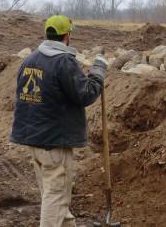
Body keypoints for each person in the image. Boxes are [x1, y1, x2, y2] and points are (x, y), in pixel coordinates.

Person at [10, 15, 108, 227]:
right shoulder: (63, 62)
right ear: (67, 35)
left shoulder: (30, 60)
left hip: (34, 140)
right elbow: (85, 94)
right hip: (54, 143)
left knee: (55, 197)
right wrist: (98, 73)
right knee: (55, 197)